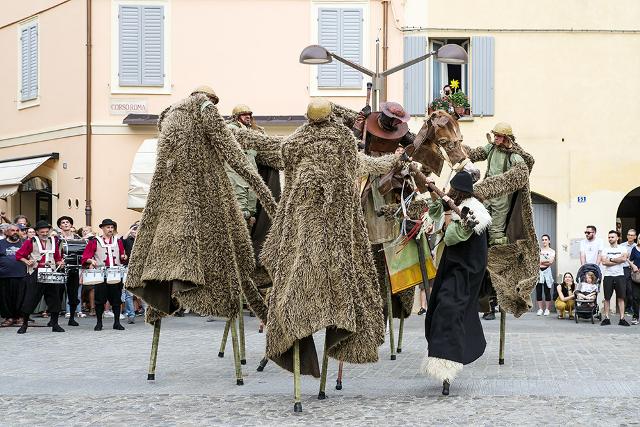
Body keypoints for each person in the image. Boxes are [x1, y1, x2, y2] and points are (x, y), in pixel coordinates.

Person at [422, 171, 491, 396]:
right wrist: (436, 199)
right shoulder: (454, 205)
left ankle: (447, 366)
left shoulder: (473, 211)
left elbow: (452, 237)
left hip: (464, 272)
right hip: (452, 268)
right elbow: (434, 215)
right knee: (442, 309)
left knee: (449, 309)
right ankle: (443, 363)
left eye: (452, 190)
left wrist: (452, 218)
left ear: (458, 192)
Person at [15, 220, 65, 334]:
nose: (45, 234)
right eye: (42, 232)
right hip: (36, 272)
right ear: (37, 232)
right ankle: (24, 324)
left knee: (55, 299)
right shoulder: (31, 241)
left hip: (51, 273)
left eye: (47, 232)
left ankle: (55, 324)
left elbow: (57, 257)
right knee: (30, 299)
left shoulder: (53, 241)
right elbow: (19, 255)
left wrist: (60, 262)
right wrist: (27, 261)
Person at [81, 218, 127, 331]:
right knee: (100, 300)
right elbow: (85, 257)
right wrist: (91, 261)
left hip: (115, 274)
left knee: (116, 300)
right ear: (102, 228)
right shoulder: (95, 241)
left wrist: (124, 257)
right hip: (101, 275)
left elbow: (122, 256)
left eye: (112, 227)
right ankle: (99, 323)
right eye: (108, 227)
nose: (110, 229)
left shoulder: (118, 241)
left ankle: (117, 322)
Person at [57, 216, 84, 326]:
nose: (65, 224)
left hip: (74, 268)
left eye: (67, 222)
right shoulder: (56, 238)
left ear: (71, 224)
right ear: (60, 226)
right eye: (63, 223)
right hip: (60, 269)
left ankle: (72, 318)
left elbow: (82, 252)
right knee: (58, 294)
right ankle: (54, 320)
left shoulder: (77, 237)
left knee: (73, 295)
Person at [600, 230, 629, 326]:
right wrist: (618, 260)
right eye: (609, 237)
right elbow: (604, 262)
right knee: (607, 298)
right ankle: (607, 318)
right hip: (608, 276)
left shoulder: (623, 248)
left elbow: (624, 259)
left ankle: (622, 319)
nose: (610, 239)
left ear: (617, 238)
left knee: (621, 298)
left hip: (620, 276)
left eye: (612, 237)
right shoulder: (605, 249)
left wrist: (611, 259)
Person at [0, 224, 27, 327]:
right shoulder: (1, 243)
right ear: (6, 232)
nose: (15, 232)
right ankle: (9, 317)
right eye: (12, 230)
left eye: (17, 230)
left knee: (21, 297)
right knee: (5, 298)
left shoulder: (24, 243)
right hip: (4, 275)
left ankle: (20, 317)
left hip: (21, 274)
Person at [536, 234, 555, 316]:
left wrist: (541, 261)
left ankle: (547, 309)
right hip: (538, 272)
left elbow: (550, 262)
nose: (544, 241)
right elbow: (536, 262)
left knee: (547, 291)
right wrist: (544, 261)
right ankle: (540, 309)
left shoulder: (552, 251)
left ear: (549, 241)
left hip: (547, 271)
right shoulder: (538, 250)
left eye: (546, 239)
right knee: (539, 291)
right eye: (543, 239)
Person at [620, 229, 637, 319]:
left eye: (632, 235)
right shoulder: (622, 246)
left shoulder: (637, 246)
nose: (630, 236)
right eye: (629, 235)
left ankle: (631, 307)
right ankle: (627, 307)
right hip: (624, 269)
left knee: (632, 290)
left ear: (635, 237)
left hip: (634, 270)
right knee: (626, 289)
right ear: (627, 236)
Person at [628, 235, 640, 324]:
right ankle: (636, 317)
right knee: (635, 297)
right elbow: (630, 261)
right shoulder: (634, 249)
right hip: (636, 276)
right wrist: (633, 266)